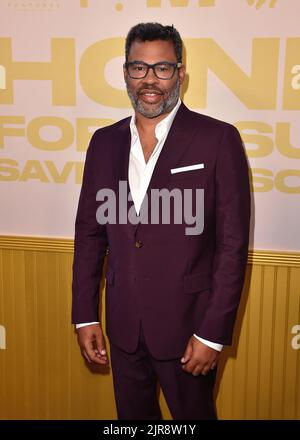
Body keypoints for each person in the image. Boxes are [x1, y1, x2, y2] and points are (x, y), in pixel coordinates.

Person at [72, 22, 250, 420]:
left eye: (162, 68)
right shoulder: (103, 142)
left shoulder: (218, 140)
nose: (149, 80)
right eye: (139, 68)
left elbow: (232, 246)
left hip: (190, 331)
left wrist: (212, 334)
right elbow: (89, 235)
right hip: (123, 327)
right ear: (125, 73)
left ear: (181, 74)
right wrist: (85, 314)